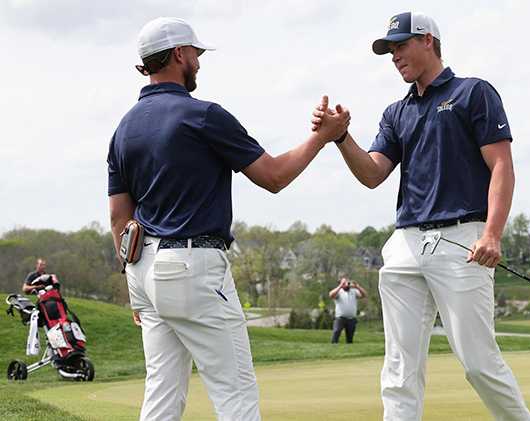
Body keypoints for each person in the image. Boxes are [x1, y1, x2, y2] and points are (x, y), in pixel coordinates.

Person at [107, 17, 349, 421]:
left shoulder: (122, 129)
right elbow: (273, 176)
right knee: (235, 394)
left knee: (161, 397)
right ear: (179, 54)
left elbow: (119, 218)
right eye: (196, 54)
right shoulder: (203, 115)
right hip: (193, 267)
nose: (199, 63)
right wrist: (322, 138)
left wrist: (136, 287)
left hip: (142, 272)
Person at [312, 11, 530, 421]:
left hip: (462, 241)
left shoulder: (473, 92)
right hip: (405, 245)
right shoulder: (396, 112)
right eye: (390, 50)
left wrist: (492, 234)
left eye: (401, 45)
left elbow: (502, 165)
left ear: (428, 40)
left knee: (479, 363)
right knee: (398, 371)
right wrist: (340, 137)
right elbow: (373, 173)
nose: (394, 56)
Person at [329, 277, 368, 343]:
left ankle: (349, 346)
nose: (346, 285)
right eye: (345, 283)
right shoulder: (339, 292)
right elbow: (331, 295)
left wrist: (357, 286)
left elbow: (364, 294)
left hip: (351, 318)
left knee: (350, 335)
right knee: (337, 331)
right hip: (340, 318)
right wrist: (340, 286)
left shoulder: (354, 291)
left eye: (348, 283)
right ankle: (333, 344)